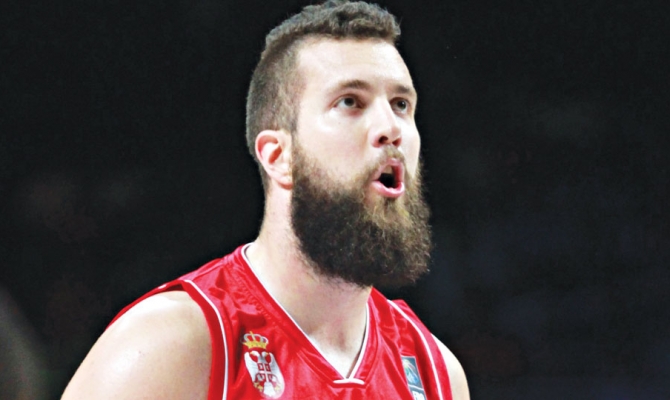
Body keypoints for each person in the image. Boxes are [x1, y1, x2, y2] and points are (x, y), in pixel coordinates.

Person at [62, 1, 469, 399]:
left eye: (401, 104)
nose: (390, 128)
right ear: (278, 157)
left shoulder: (437, 373)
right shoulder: (171, 345)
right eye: (350, 101)